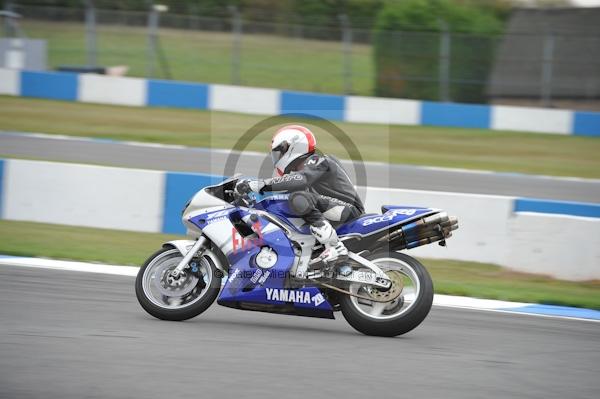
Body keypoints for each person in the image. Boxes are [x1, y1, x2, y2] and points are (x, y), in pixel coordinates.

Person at [235, 124, 364, 264]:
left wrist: (261, 184)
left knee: (298, 198)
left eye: (279, 153)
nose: (277, 158)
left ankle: (335, 246)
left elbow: (301, 180)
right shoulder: (306, 171)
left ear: (292, 147)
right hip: (334, 209)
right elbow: (290, 184)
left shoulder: (318, 160)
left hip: (347, 208)